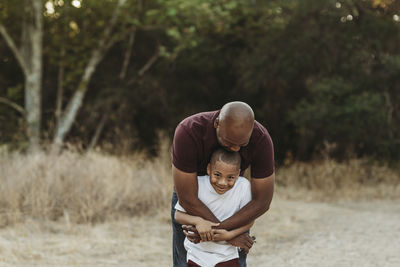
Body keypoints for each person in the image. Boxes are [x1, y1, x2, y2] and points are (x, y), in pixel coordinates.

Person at [171, 101, 275, 267]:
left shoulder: (261, 139)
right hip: (192, 203)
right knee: (186, 260)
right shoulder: (189, 131)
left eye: (242, 145)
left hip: (233, 206)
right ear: (216, 124)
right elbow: (187, 197)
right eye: (229, 142)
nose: (235, 149)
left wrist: (224, 234)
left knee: (234, 261)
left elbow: (262, 201)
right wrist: (229, 235)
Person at [174, 149, 253, 267]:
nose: (222, 182)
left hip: (227, 255)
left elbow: (249, 220)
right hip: (197, 254)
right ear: (209, 169)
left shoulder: (243, 187)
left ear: (238, 174)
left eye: (230, 177)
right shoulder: (198, 185)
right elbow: (178, 215)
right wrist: (198, 221)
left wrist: (229, 235)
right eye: (217, 175)